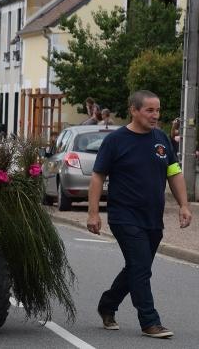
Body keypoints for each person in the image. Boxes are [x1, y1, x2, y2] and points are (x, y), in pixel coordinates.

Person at [87, 90, 192, 339]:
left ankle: (108, 304)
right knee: (140, 267)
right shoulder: (115, 141)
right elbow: (97, 176)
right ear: (134, 110)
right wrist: (93, 213)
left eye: (157, 110)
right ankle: (150, 321)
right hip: (124, 216)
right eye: (149, 110)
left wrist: (184, 205)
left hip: (152, 217)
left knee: (138, 267)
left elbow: (174, 172)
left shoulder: (162, 139)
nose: (155, 115)